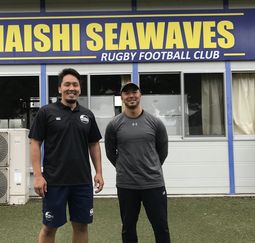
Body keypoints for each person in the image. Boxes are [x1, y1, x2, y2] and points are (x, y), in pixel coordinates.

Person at [29, 68, 104, 243]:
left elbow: (93, 144)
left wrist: (98, 172)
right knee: (49, 227)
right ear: (59, 89)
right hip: (54, 182)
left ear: (80, 88)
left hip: (82, 182)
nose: (72, 88)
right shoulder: (46, 112)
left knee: (81, 226)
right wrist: (38, 176)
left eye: (75, 85)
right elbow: (35, 143)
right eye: (67, 84)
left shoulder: (87, 115)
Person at [105, 82, 170, 243]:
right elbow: (110, 153)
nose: (131, 96)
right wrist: (124, 167)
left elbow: (162, 152)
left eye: (134, 92)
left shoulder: (155, 123)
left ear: (140, 95)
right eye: (126, 93)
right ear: (122, 98)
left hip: (153, 184)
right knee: (128, 228)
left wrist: (151, 166)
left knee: (161, 227)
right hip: (127, 185)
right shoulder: (114, 125)